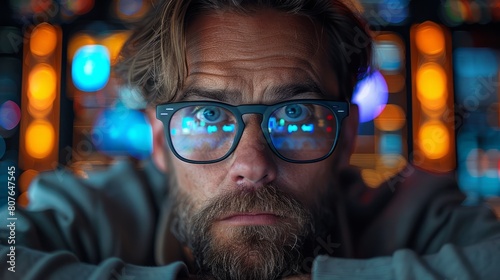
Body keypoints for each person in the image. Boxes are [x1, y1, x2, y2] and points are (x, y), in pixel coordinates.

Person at [1, 0, 500, 279]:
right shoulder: (94, 212)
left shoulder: (409, 210)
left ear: (347, 133)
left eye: (297, 115)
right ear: (157, 140)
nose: (253, 164)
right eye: (206, 116)